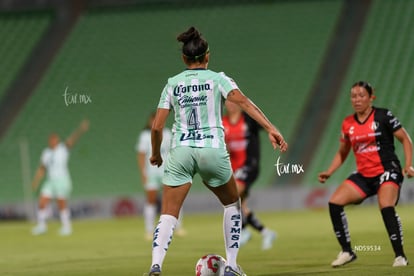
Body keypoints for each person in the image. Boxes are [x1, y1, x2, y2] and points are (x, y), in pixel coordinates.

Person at [147, 26, 287, 276]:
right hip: (212, 148)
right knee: (232, 204)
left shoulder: (172, 84)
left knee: (168, 213)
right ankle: (232, 266)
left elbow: (157, 127)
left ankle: (156, 266)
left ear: (183, 59)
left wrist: (156, 153)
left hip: (181, 150)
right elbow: (243, 101)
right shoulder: (218, 78)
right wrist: (270, 127)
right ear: (207, 56)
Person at [318, 81, 414, 267]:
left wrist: (409, 165)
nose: (357, 99)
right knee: (334, 203)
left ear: (371, 97)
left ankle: (400, 256)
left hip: (387, 170)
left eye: (361, 95)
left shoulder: (383, 116)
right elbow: (342, 152)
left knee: (385, 205)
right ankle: (347, 251)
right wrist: (329, 171)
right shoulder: (348, 123)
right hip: (364, 175)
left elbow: (405, 139)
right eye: (353, 96)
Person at [223, 100, 276, 250]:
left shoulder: (248, 120)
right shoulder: (223, 123)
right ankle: (265, 232)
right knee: (240, 204)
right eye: (228, 102)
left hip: (248, 165)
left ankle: (243, 231)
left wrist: (273, 132)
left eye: (233, 102)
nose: (231, 105)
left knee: (232, 195)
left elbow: (265, 124)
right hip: (232, 168)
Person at [31, 119, 89, 236]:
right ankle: (42, 226)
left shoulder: (62, 149)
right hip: (50, 181)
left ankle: (67, 226)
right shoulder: (46, 153)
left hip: (62, 180)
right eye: (51, 140)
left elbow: (72, 140)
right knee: (42, 202)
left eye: (55, 139)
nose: (53, 141)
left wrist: (80, 130)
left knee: (61, 203)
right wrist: (36, 180)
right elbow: (42, 168)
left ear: (57, 140)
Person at [136, 112, 185, 241]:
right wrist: (143, 173)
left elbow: (173, 152)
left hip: (167, 170)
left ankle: (177, 227)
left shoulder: (168, 134)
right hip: (151, 172)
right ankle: (149, 230)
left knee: (172, 199)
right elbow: (141, 155)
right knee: (151, 200)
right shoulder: (145, 136)